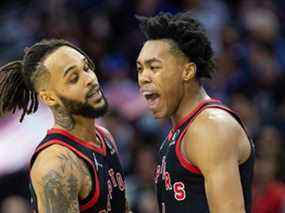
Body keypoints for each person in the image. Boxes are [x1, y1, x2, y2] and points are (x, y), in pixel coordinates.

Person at [136, 12, 255, 213]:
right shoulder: (180, 131)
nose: (143, 78)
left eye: (154, 67)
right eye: (140, 69)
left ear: (188, 72)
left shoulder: (211, 127)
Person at [0, 39, 129, 213]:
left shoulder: (104, 137)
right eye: (74, 78)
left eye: (86, 68)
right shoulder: (55, 165)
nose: (90, 79)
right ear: (50, 98)